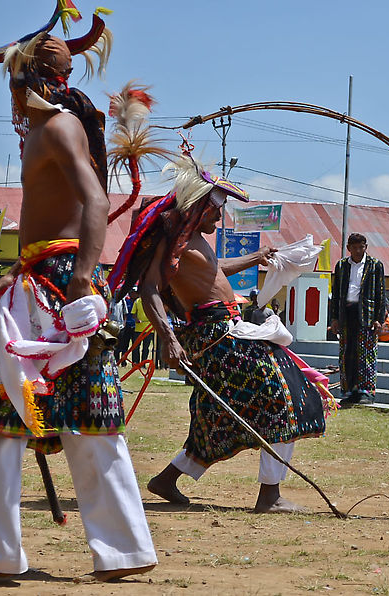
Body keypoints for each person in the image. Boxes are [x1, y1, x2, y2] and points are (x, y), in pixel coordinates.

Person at [0, 15, 156, 582]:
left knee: (74, 420)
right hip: (40, 282)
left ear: (21, 80)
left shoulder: (57, 128)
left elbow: (95, 201)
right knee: (14, 419)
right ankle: (87, 550)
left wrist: (81, 278)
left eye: (9, 82)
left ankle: (38, 552)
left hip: (61, 286)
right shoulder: (44, 130)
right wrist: (15, 272)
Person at [108, 151, 332, 513]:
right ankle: (270, 495)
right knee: (285, 393)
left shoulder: (194, 238)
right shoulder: (171, 241)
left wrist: (257, 257)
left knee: (219, 412)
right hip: (214, 336)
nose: (219, 214)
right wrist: (168, 338)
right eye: (215, 208)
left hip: (228, 329)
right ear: (198, 206)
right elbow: (148, 289)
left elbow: (215, 270)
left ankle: (167, 479)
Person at [330, 233, 387, 405]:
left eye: (361, 247)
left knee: (366, 354)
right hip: (346, 314)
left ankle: (367, 391)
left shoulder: (375, 265)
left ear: (365, 247)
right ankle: (350, 390)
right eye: (354, 247)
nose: (358, 250)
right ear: (348, 248)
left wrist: (379, 319)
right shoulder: (341, 265)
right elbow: (336, 293)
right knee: (348, 354)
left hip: (367, 315)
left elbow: (381, 293)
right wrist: (334, 318)